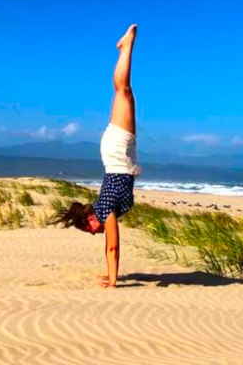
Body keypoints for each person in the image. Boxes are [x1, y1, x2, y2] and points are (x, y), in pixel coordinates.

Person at [52, 24, 141, 288]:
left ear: (91, 219)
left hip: (118, 152)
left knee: (124, 92)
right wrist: (111, 274)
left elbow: (112, 247)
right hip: (116, 153)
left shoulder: (105, 211)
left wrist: (113, 281)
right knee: (123, 92)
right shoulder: (104, 208)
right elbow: (109, 245)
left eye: (90, 229)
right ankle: (124, 49)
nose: (95, 233)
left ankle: (126, 47)